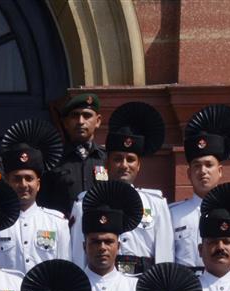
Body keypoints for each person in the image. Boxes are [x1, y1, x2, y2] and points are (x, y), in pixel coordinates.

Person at [68, 102, 172, 272]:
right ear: (107, 163)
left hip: (143, 283)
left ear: (139, 165)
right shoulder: (85, 202)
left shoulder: (156, 204)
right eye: (117, 159)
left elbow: (164, 256)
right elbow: (78, 255)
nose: (124, 165)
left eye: (130, 159)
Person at [170, 105, 230, 276]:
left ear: (220, 171)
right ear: (189, 173)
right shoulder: (173, 214)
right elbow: (167, 260)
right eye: (197, 166)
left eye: (209, 165)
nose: (203, 171)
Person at [71, 181, 144, 291]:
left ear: (118, 246)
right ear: (84, 246)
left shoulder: (135, 288)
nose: (102, 248)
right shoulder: (71, 289)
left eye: (108, 242)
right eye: (95, 242)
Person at [0, 118, 70, 272]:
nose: (23, 185)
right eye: (16, 179)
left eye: (29, 178)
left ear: (38, 184)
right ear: (7, 182)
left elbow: (64, 268)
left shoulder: (57, 222)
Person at [38, 92, 105, 215]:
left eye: (87, 115)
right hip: (64, 231)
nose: (80, 121)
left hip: (99, 231)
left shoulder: (107, 159)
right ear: (65, 123)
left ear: (98, 121)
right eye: (75, 116)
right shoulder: (51, 160)